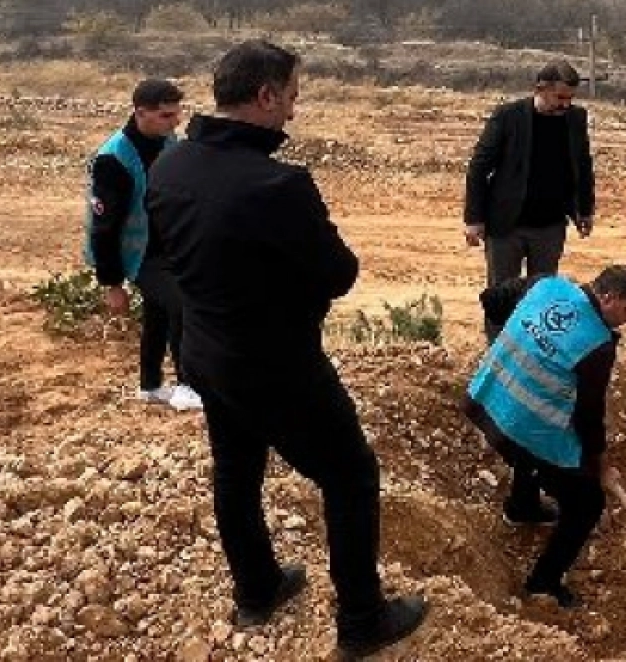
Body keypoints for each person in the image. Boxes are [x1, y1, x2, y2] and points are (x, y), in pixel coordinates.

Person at [146, 41, 426, 657]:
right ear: (266, 95)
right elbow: (339, 273)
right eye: (292, 97)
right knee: (351, 474)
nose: (294, 113)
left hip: (203, 353)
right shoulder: (278, 185)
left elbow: (173, 259)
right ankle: (361, 620)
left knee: (235, 469)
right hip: (275, 364)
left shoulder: (170, 166)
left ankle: (257, 589)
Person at [465, 264, 626, 608]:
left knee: (532, 449)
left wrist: (528, 341)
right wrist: (599, 467)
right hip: (516, 424)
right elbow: (588, 416)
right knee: (587, 503)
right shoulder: (597, 345)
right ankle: (543, 583)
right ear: (606, 298)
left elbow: (492, 298)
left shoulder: (547, 286)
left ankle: (522, 507)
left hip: (484, 398)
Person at [85, 77, 201, 411]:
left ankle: (150, 386)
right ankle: (187, 385)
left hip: (167, 248)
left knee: (158, 314)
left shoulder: (169, 144)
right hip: (136, 255)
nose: (174, 121)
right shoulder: (113, 159)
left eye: (176, 114)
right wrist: (112, 283)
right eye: (166, 115)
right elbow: (104, 227)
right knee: (184, 304)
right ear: (141, 113)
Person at [463, 61, 596, 340]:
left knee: (543, 297)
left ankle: (534, 356)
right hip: (505, 224)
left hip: (550, 225)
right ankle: (498, 355)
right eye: (560, 97)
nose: (565, 104)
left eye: (570, 98)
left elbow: (582, 165)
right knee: (502, 295)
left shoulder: (576, 118)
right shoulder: (508, 116)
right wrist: (474, 219)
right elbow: (479, 166)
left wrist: (585, 210)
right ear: (540, 89)